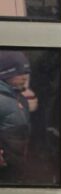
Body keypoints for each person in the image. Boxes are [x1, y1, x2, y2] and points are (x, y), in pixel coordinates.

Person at [0, 50, 35, 183]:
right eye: (19, 72)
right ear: (5, 73)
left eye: (26, 72)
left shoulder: (21, 99)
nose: (24, 77)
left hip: (15, 165)